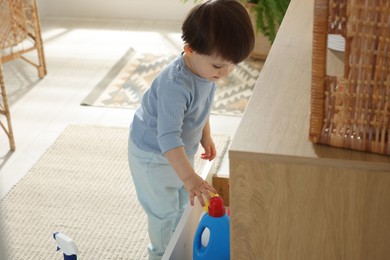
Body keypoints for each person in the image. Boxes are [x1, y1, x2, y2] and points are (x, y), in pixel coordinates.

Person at [127, 0, 255, 259]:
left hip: (176, 151)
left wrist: (205, 134)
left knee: (183, 201)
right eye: (219, 66)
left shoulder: (207, 72)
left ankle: (179, 241)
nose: (226, 72)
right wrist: (190, 178)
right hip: (154, 154)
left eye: (232, 65)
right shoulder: (177, 85)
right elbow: (167, 137)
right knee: (163, 211)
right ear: (190, 50)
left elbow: (201, 108)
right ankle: (161, 253)